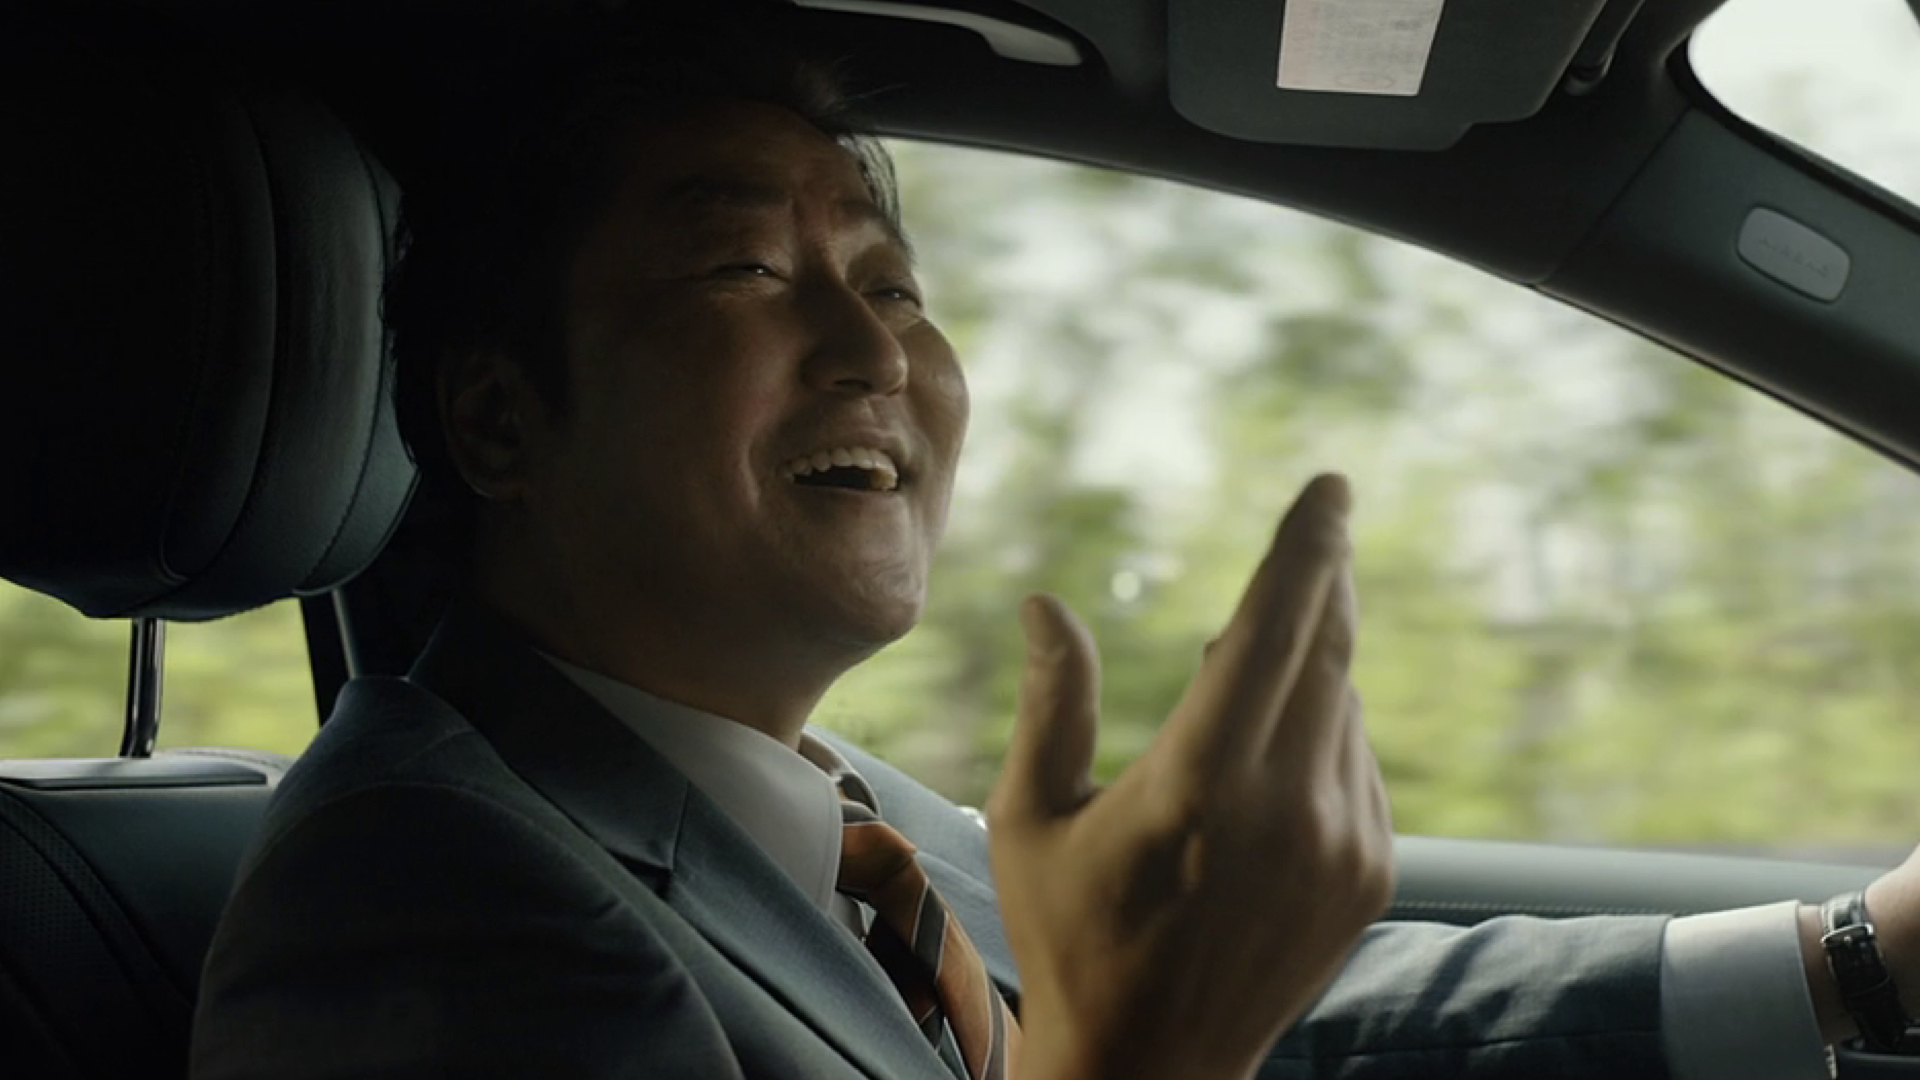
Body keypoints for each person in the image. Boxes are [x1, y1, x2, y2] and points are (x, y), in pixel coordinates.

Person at [191, 19, 1920, 1080]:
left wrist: (1859, 955)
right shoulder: (418, 907)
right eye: (745, 270)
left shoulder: (824, 807)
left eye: (893, 285)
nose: (873, 351)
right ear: (499, 419)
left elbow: (1283, 1023)